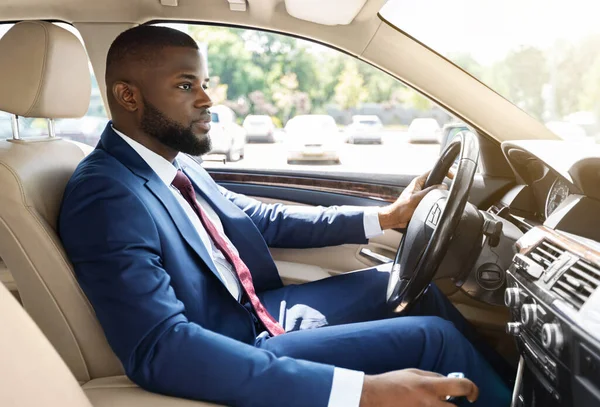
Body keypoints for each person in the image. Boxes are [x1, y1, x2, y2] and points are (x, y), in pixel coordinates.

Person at [58, 25, 511, 407]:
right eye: (185, 85)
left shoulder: (172, 162)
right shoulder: (105, 195)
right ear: (128, 96)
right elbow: (160, 347)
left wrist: (386, 217)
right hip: (234, 341)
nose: (207, 99)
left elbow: (262, 217)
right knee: (433, 337)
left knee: (411, 286)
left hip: (259, 309)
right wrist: (361, 392)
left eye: (204, 83)